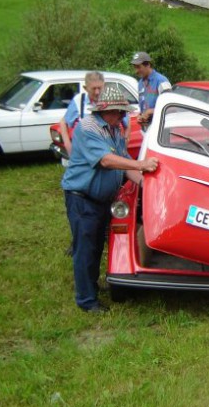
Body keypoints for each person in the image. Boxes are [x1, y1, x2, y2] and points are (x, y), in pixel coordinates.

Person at [61, 85, 159, 313]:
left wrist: (147, 185)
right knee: (86, 248)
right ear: (107, 110)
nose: (124, 116)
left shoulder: (113, 129)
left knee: (96, 245)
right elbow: (106, 161)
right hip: (83, 198)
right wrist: (141, 164)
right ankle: (86, 300)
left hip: (101, 199)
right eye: (120, 112)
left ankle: (92, 286)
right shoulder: (88, 129)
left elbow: (123, 163)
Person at [59, 71, 105, 157]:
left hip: (105, 151)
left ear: (104, 86)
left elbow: (126, 121)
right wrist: (68, 145)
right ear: (85, 88)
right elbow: (63, 122)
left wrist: (125, 140)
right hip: (83, 152)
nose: (97, 92)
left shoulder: (110, 99)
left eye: (99, 88)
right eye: (93, 89)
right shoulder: (79, 100)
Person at [131, 51, 171, 131]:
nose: (136, 71)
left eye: (138, 67)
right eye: (135, 67)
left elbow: (170, 107)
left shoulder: (161, 81)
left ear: (148, 65)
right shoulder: (140, 83)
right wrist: (141, 116)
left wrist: (151, 111)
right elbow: (143, 107)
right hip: (146, 131)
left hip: (160, 131)